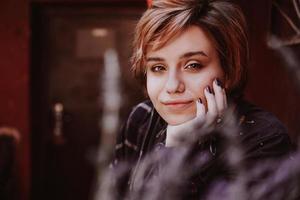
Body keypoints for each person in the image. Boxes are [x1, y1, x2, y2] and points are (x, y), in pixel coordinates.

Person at [112, 0, 292, 198]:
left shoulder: (264, 139)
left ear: (229, 71)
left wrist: (181, 153)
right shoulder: (141, 120)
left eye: (193, 65)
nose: (172, 86)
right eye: (158, 68)